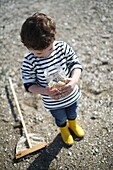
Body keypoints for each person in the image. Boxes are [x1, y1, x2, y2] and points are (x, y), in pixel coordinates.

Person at [20, 12, 84, 146]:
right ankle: (64, 130)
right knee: (60, 117)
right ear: (27, 47)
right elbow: (29, 84)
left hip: (71, 93)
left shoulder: (63, 48)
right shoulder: (29, 61)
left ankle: (73, 124)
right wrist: (45, 91)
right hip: (53, 101)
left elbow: (75, 64)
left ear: (54, 37)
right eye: (38, 53)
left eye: (50, 49)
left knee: (73, 111)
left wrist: (74, 80)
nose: (45, 55)